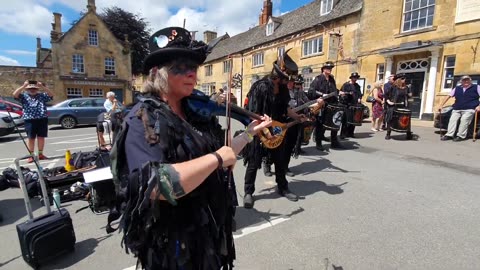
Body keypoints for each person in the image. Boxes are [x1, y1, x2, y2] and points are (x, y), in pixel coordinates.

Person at [114, 27, 272, 270]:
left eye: (194, 68)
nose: (192, 75)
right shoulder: (142, 119)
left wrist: (249, 134)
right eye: (181, 66)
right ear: (158, 73)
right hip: (173, 244)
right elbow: (155, 185)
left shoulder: (194, 113)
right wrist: (217, 158)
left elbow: (221, 155)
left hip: (206, 231)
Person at [243, 49, 310, 209]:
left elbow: (286, 109)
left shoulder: (284, 89)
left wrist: (297, 117)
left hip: (277, 130)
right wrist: (265, 131)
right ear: (278, 77)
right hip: (258, 129)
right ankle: (248, 192)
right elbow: (253, 114)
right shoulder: (260, 87)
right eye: (286, 79)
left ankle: (283, 187)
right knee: (254, 162)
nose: (289, 83)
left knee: (280, 161)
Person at [13, 80, 54, 163]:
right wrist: (23, 86)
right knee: (31, 138)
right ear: (27, 89)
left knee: (41, 137)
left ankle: (40, 154)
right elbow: (15, 94)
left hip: (42, 119)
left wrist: (42, 87)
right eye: (30, 88)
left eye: (34, 88)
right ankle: (31, 156)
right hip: (29, 120)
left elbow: (51, 95)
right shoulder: (24, 96)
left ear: (37, 89)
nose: (32, 90)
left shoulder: (42, 96)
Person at [308, 61, 344, 150]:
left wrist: (340, 92)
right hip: (322, 104)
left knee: (334, 122)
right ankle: (318, 142)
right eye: (328, 68)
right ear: (323, 69)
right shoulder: (318, 79)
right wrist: (321, 95)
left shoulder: (331, 79)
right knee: (320, 124)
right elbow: (311, 91)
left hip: (331, 104)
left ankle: (334, 141)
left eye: (331, 68)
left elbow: (334, 90)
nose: (330, 70)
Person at [439, 75, 480, 141]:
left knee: (464, 120)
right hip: (457, 108)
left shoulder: (476, 87)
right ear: (461, 81)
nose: (466, 81)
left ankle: (461, 136)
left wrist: (479, 106)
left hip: (470, 109)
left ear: (470, 81)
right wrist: (441, 105)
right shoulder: (457, 88)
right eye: (464, 80)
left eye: (468, 80)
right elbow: (448, 96)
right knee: (452, 120)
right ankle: (449, 135)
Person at [284, 74, 310, 176]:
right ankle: (267, 164)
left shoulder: (298, 92)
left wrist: (317, 104)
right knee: (274, 145)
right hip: (281, 121)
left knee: (289, 146)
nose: (291, 84)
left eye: (292, 82)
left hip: (294, 121)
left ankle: (285, 168)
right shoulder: (280, 92)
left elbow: (307, 102)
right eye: (289, 81)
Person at [384, 73, 413, 140]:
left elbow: (409, 97)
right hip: (394, 105)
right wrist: (389, 101)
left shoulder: (406, 88)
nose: (404, 80)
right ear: (398, 80)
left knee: (406, 119)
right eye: (402, 78)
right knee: (390, 119)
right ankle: (388, 133)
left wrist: (410, 95)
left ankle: (408, 133)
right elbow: (386, 95)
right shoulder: (393, 87)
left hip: (403, 106)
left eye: (404, 78)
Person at [339, 72, 362, 138]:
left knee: (353, 119)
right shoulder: (346, 85)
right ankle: (343, 134)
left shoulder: (357, 86)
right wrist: (348, 94)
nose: (355, 79)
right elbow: (342, 93)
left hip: (354, 104)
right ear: (351, 78)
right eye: (354, 77)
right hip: (347, 104)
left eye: (356, 78)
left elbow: (360, 94)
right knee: (345, 120)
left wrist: (359, 98)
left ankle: (350, 133)